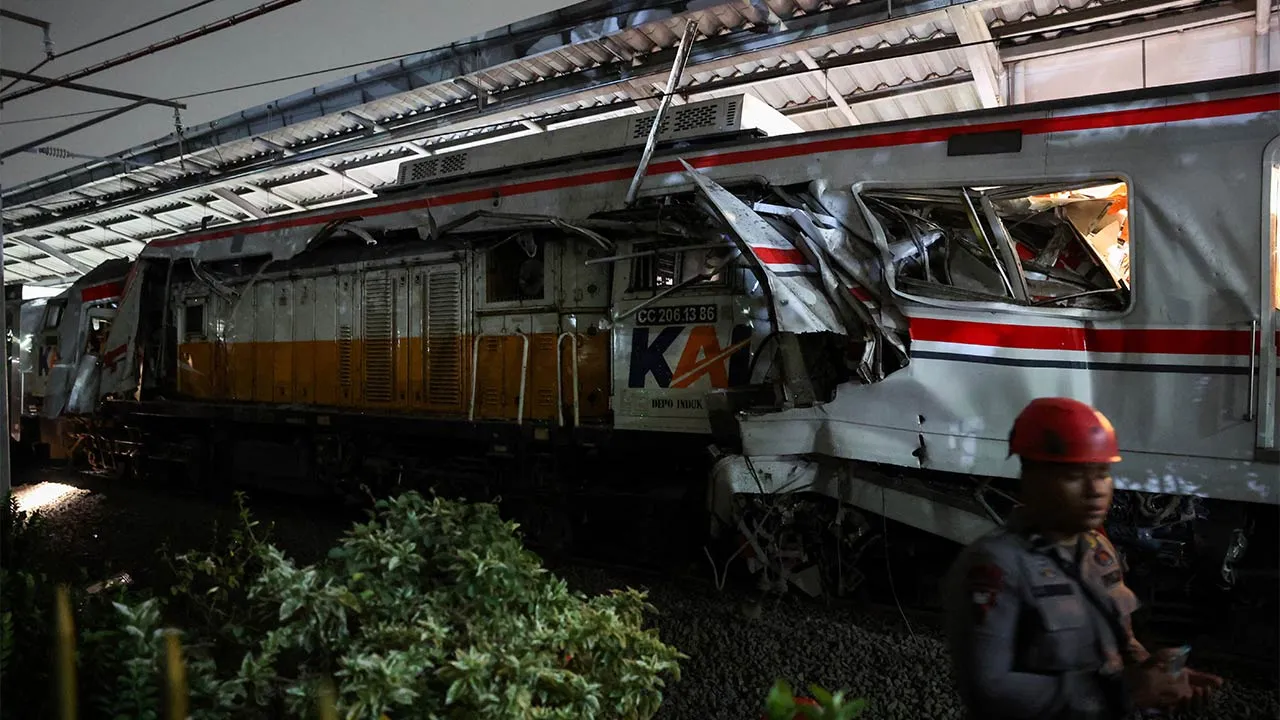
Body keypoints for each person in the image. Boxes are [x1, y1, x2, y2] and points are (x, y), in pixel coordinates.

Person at [942, 397, 1224, 719]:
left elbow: (1120, 646)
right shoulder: (996, 566)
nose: (1096, 490)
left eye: (1103, 472)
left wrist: (1156, 674)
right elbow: (988, 690)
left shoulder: (1098, 551)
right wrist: (1123, 691)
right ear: (1031, 478)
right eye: (1075, 475)